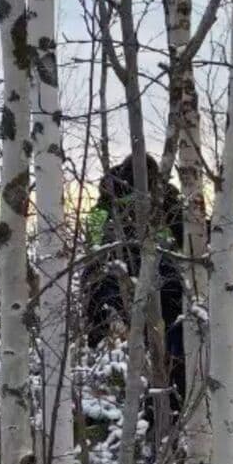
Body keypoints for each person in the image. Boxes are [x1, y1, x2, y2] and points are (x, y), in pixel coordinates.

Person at [82, 153, 188, 427]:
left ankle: (155, 412)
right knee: (174, 350)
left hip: (118, 288)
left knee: (149, 353)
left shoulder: (101, 208)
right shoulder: (164, 200)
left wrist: (93, 322)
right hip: (164, 285)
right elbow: (191, 237)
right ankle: (168, 411)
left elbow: (91, 258)